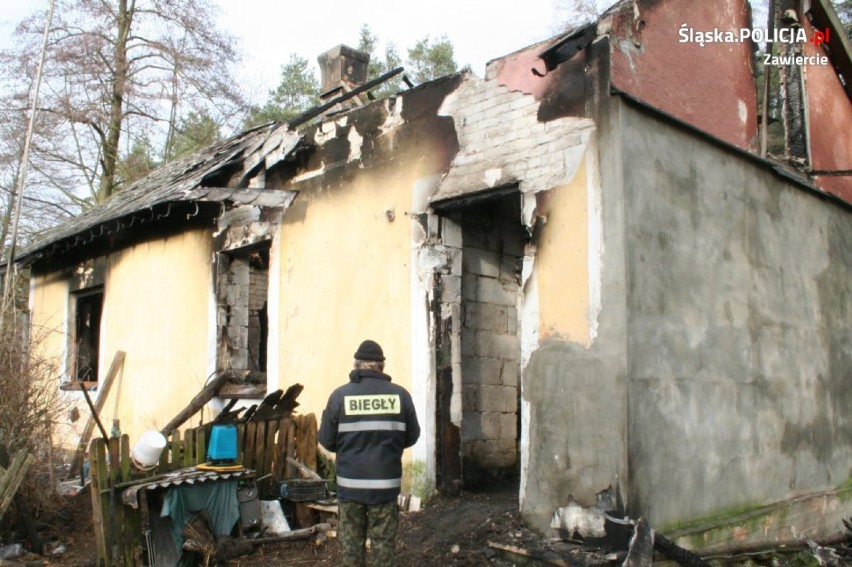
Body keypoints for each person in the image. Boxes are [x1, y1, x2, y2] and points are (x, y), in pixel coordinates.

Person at [319, 339, 420, 567]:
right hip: (385, 488)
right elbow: (412, 437)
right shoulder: (400, 396)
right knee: (383, 546)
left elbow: (326, 440)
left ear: (356, 366)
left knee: (351, 548)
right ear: (381, 367)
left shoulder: (340, 396)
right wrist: (389, 445)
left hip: (350, 488)